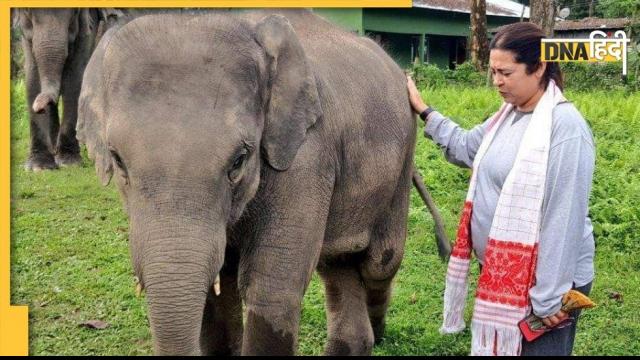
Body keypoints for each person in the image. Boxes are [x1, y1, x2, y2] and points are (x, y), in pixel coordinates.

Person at [407, 22, 595, 356]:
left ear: (538, 68)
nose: (497, 81)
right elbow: (466, 146)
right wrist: (424, 110)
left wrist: (548, 297)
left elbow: (562, 217)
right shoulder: (506, 116)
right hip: (506, 274)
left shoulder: (565, 128)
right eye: (493, 72)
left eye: (505, 72)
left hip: (546, 286)